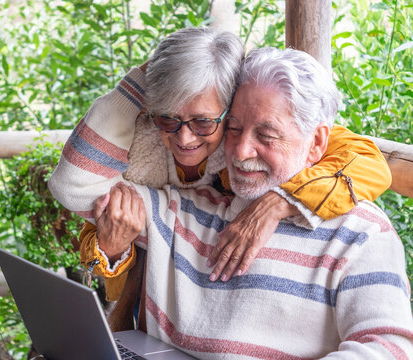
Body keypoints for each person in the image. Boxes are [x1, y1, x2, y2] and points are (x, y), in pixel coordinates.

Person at [49, 47, 413, 358]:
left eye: (266, 135)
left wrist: (282, 202)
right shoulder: (185, 208)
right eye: (234, 128)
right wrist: (156, 72)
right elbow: (74, 185)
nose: (240, 151)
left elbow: (388, 348)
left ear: (317, 143)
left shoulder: (361, 233)